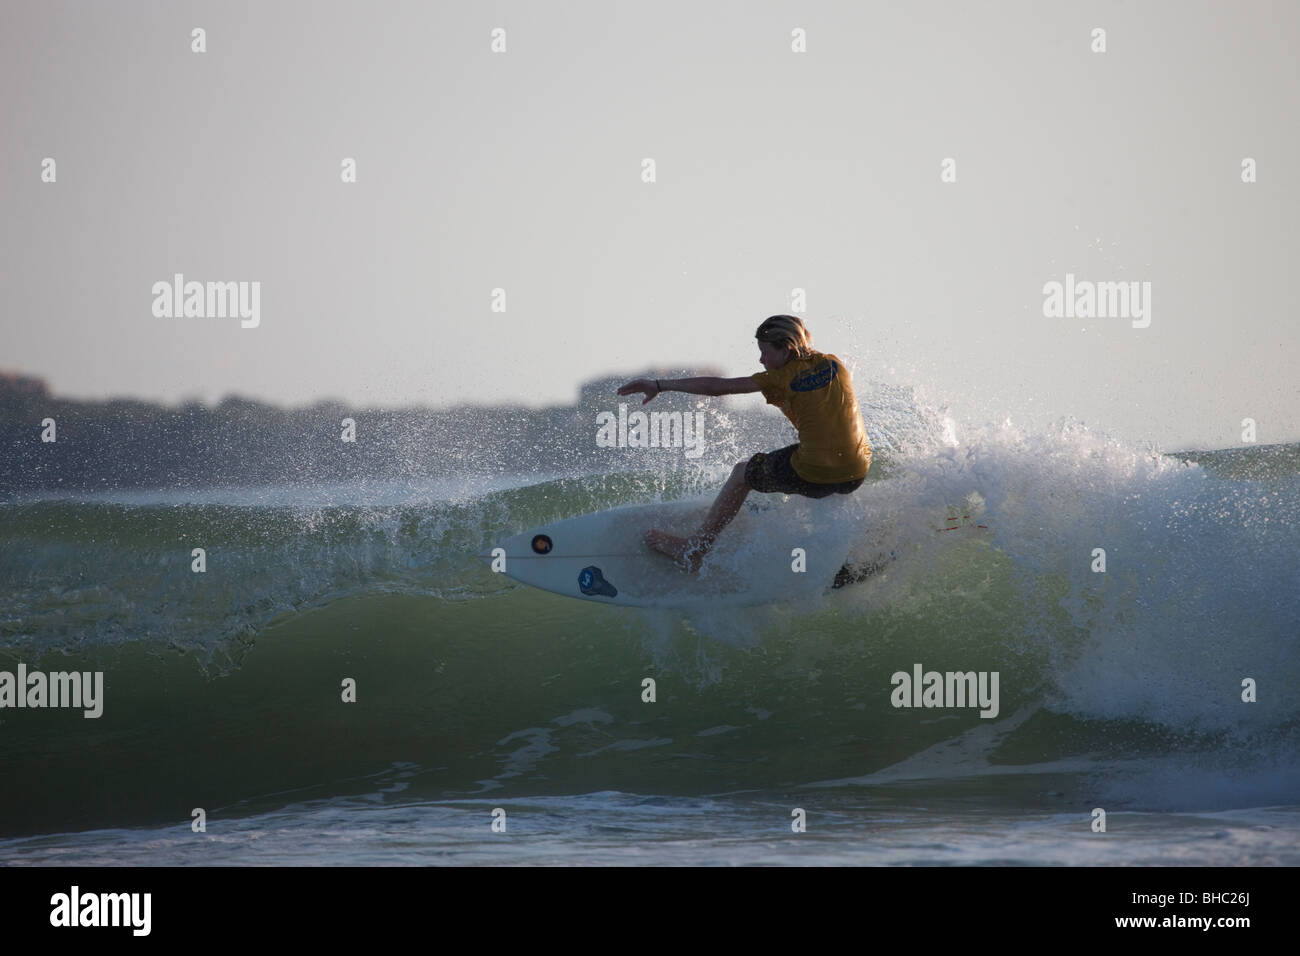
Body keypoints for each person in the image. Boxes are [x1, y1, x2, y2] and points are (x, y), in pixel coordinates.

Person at [617, 315, 871, 573]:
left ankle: (695, 548)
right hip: (856, 472)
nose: (761, 360)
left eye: (765, 352)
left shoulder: (778, 378)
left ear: (786, 348)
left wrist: (659, 385)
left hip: (815, 473)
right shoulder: (833, 363)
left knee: (742, 473)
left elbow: (718, 387)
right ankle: (842, 558)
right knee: (805, 464)